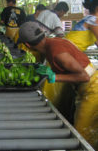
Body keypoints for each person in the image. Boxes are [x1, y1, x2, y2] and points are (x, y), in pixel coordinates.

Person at [18, 21, 98, 150]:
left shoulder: (56, 51)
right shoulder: (51, 43)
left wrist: (54, 77)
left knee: (83, 134)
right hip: (83, 87)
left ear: (27, 45)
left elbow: (84, 76)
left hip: (93, 87)